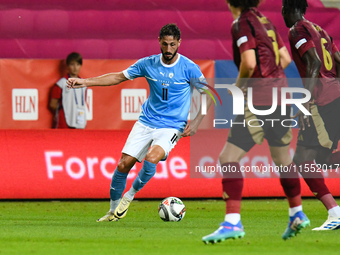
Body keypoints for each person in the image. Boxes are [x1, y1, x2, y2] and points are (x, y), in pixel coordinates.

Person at [67, 24, 212, 222]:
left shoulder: (189, 68)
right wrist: (85, 82)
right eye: (164, 44)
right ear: (159, 41)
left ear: (179, 43)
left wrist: (196, 122)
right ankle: (112, 212)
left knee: (152, 158)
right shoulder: (147, 64)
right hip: (146, 122)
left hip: (172, 126)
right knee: (123, 164)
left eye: (172, 44)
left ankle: (129, 196)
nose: (168, 49)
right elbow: (118, 77)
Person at [202, 0, 309, 243]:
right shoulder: (265, 21)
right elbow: (284, 58)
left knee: (228, 158)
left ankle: (232, 222)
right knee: (283, 160)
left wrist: (239, 88)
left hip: (260, 100)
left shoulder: (242, 23)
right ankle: (297, 213)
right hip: (281, 97)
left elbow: (249, 63)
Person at [282, 0, 340, 231]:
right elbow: (337, 60)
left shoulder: (297, 30)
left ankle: (335, 213)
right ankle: (335, 213)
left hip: (322, 100)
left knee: (303, 159)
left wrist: (306, 100)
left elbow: (314, 61)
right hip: (335, 95)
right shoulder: (320, 29)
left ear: (286, 10)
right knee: (322, 158)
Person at [50, 52, 87, 129]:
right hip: (64, 121)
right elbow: (53, 104)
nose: (75, 68)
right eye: (72, 64)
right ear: (67, 66)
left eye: (78, 64)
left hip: (80, 120)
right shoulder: (61, 83)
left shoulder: (84, 84)